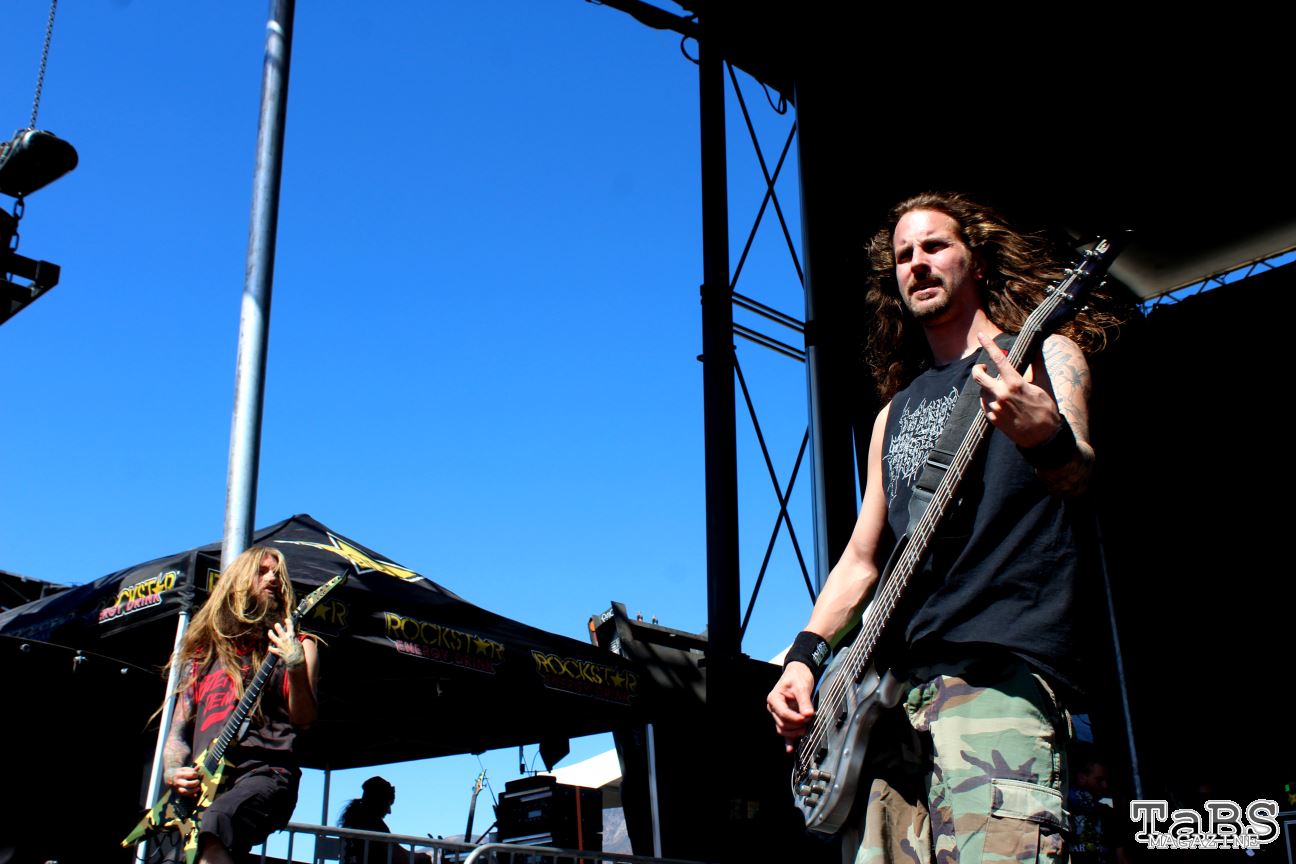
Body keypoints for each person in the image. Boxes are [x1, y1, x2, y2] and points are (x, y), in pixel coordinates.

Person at [766, 192, 1116, 864]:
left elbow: (1079, 477)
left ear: (975, 261)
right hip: (889, 710)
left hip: (996, 679)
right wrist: (803, 659)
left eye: (934, 246)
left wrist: (1045, 437)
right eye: (904, 255)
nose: (918, 263)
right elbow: (863, 559)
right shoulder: (892, 413)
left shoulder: (1045, 355)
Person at [160, 546, 319, 864]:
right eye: (262, 571)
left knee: (216, 825)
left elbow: (304, 720)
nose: (273, 578)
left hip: (267, 773)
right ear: (237, 582)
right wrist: (173, 770)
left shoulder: (300, 645)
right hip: (208, 785)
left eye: (278, 574)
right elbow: (177, 734)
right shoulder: (202, 655)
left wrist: (295, 666)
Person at [338, 777, 431, 864]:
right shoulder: (371, 824)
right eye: (388, 804)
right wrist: (423, 857)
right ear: (379, 802)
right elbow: (398, 856)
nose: (389, 811)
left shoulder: (354, 821)